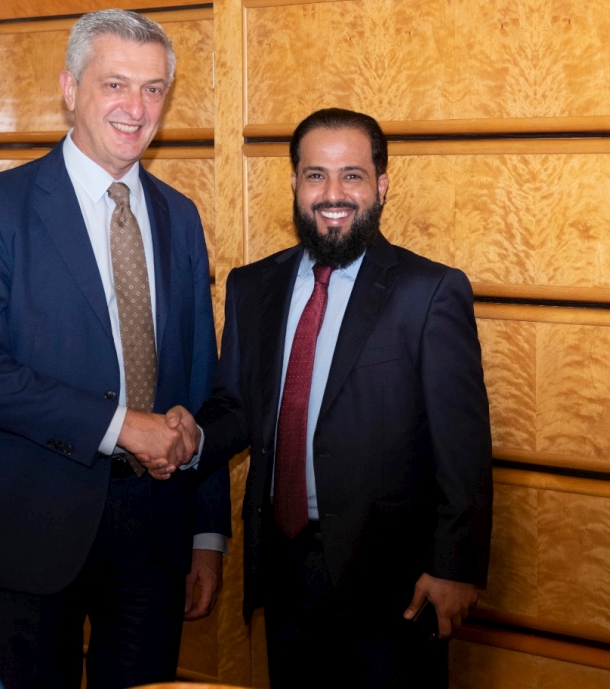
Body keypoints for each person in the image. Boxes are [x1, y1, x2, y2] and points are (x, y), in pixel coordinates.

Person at [0, 10, 229, 689]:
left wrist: (206, 533)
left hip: (153, 534)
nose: (136, 107)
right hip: (24, 525)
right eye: (115, 84)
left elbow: (199, 378)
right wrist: (121, 425)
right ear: (70, 88)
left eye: (154, 89)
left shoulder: (179, 215)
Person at [172, 108, 494, 688]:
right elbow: (239, 409)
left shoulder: (429, 291)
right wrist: (189, 439)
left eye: (352, 175)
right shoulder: (253, 287)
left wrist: (454, 567)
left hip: (392, 580)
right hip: (285, 566)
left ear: (382, 186)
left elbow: (463, 445)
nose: (333, 193)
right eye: (316, 175)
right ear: (294, 184)